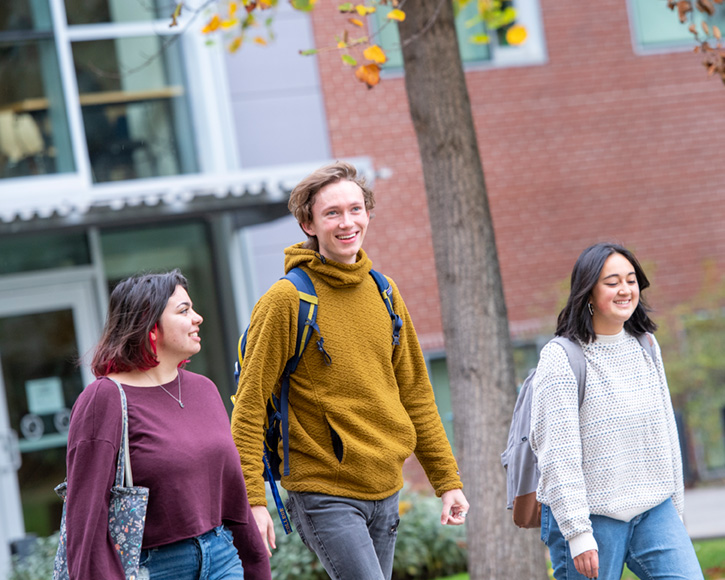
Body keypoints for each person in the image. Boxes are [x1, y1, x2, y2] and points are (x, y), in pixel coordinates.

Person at [231, 161, 468, 580]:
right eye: (332, 213)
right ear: (308, 223)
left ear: (368, 213)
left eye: (355, 209)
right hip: (324, 490)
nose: (347, 222)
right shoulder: (287, 301)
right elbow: (248, 408)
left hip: (386, 485)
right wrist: (252, 500)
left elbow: (415, 394)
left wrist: (447, 480)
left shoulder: (385, 291)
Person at [64, 270, 271, 580]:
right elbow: (87, 515)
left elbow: (233, 493)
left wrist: (255, 563)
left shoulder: (204, 390)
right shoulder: (104, 398)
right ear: (150, 325)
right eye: (184, 311)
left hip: (222, 556)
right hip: (154, 568)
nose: (198, 318)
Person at [530, 243, 703, 580]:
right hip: (591, 517)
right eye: (612, 282)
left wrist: (677, 512)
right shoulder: (561, 358)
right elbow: (557, 454)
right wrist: (578, 533)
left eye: (631, 279)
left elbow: (666, 431)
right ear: (589, 292)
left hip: (653, 509)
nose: (625, 290)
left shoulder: (646, 345)